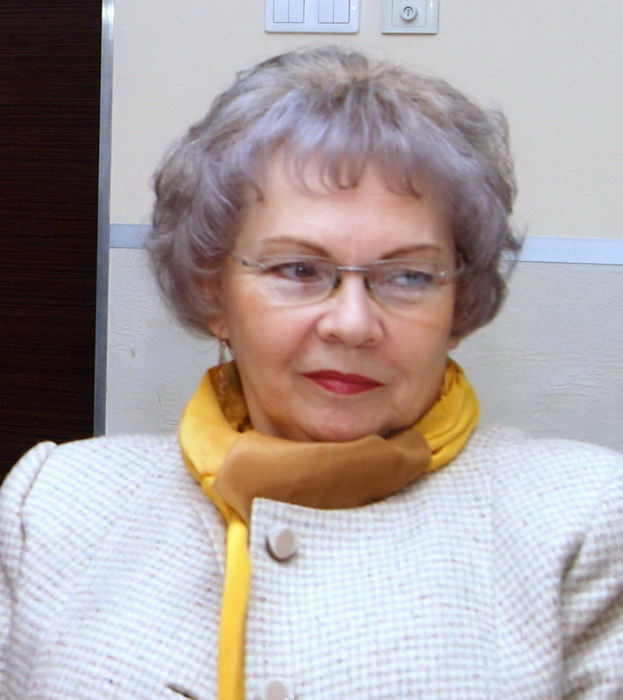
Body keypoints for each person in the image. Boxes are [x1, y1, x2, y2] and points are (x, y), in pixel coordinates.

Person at [1, 46, 622, 700]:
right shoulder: (55, 501)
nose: (351, 324)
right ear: (212, 290)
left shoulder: (583, 517)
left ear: (459, 303)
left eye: (408, 276)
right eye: (297, 270)